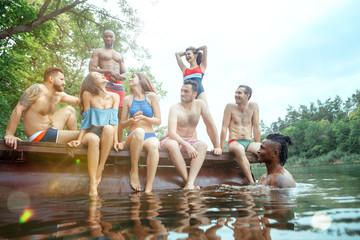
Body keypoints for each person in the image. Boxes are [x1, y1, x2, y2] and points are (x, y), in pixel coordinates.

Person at [160, 80, 222, 190]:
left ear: (194, 94)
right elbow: (172, 133)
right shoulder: (175, 108)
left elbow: (210, 125)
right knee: (174, 144)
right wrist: (187, 145)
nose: (182, 94)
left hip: (188, 139)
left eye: (186, 91)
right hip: (172, 139)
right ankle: (188, 183)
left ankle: (190, 183)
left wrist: (217, 146)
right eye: (181, 91)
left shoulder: (200, 104)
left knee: (202, 145)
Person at [68, 72, 122, 196]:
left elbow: (114, 121)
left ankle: (100, 168)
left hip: (106, 134)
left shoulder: (115, 96)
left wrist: (116, 141)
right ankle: (93, 184)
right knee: (93, 139)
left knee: (108, 128)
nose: (102, 75)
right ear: (92, 81)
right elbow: (86, 119)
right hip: (91, 132)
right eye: (98, 75)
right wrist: (79, 139)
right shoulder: (88, 95)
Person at [4, 67, 79, 149]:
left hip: (51, 131)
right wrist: (9, 134)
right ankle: (76, 142)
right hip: (39, 136)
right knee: (85, 134)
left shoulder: (58, 95)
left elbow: (78, 101)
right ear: (51, 79)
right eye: (61, 79)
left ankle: (74, 145)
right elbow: (18, 109)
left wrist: (92, 96)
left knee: (69, 110)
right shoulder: (37, 89)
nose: (64, 83)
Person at [120, 73, 161, 192]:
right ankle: (134, 170)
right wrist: (131, 120)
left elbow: (158, 120)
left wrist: (144, 118)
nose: (130, 79)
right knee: (139, 131)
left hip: (149, 136)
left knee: (154, 145)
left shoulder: (151, 97)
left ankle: (149, 186)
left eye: (133, 77)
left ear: (140, 80)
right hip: (133, 136)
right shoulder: (128, 99)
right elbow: (122, 124)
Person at [89, 29, 126, 141]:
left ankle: (119, 142)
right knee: (102, 109)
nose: (109, 38)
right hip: (103, 81)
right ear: (103, 38)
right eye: (107, 36)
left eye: (111, 36)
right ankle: (97, 138)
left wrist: (118, 76)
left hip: (118, 84)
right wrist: (108, 72)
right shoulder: (98, 51)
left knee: (119, 114)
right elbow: (91, 69)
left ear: (114, 38)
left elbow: (124, 74)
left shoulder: (119, 55)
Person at [220, 85, 261, 184]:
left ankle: (270, 178)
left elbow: (256, 127)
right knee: (239, 149)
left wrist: (258, 145)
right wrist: (220, 148)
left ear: (247, 95)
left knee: (265, 149)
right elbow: (224, 128)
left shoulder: (254, 106)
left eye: (239, 93)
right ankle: (252, 182)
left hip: (249, 142)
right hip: (234, 142)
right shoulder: (230, 107)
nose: (236, 95)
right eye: (236, 93)